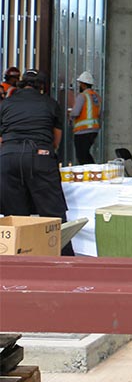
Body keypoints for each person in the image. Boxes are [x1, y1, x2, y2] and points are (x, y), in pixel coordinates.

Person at [0, 69, 73, 256]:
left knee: (15, 216)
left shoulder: (6, 104)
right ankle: (62, 260)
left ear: (21, 83)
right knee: (53, 214)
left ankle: (18, 259)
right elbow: (56, 141)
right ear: (42, 86)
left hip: (8, 157)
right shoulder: (50, 103)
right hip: (40, 155)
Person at [71, 70, 101, 164]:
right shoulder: (96, 96)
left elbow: (75, 112)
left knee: (81, 156)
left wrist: (70, 115)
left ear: (83, 84)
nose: (79, 85)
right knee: (85, 154)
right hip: (94, 130)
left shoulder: (82, 96)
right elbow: (100, 113)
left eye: (80, 83)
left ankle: (91, 173)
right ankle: (93, 172)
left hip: (82, 131)